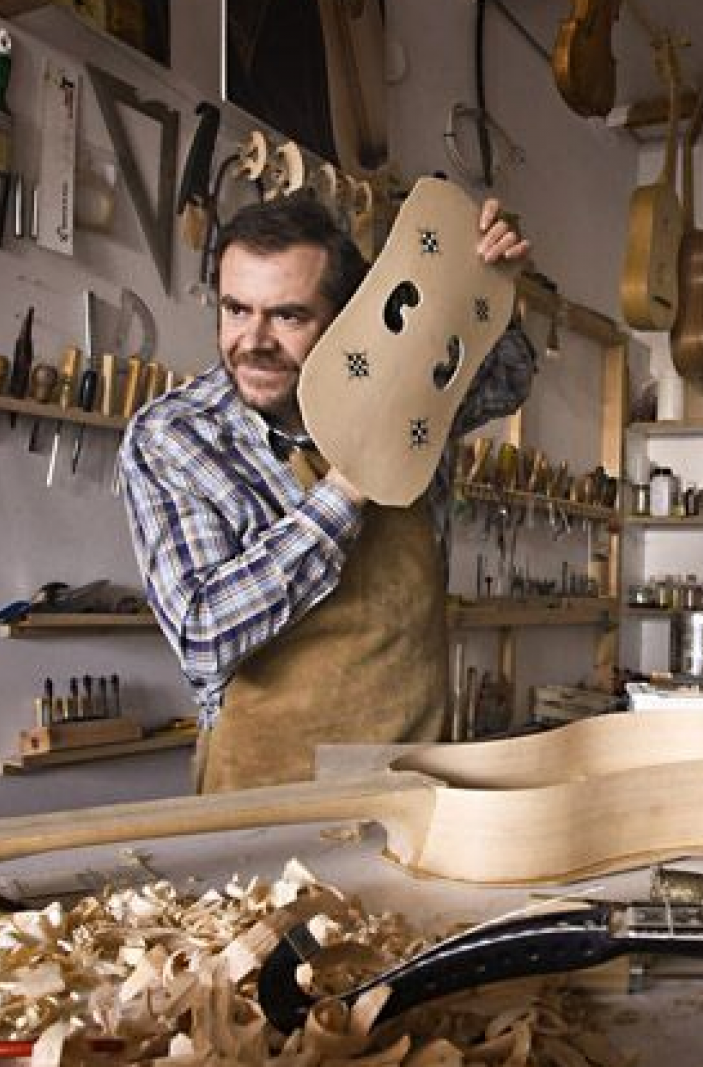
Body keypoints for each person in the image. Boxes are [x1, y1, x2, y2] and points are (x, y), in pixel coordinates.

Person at [120, 192, 534, 793]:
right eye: (236, 310)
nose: (253, 340)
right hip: (264, 794)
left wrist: (492, 282)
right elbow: (203, 637)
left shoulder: (409, 395)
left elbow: (508, 378)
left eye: (288, 316)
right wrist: (348, 487)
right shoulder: (177, 437)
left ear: (346, 318)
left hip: (409, 774)